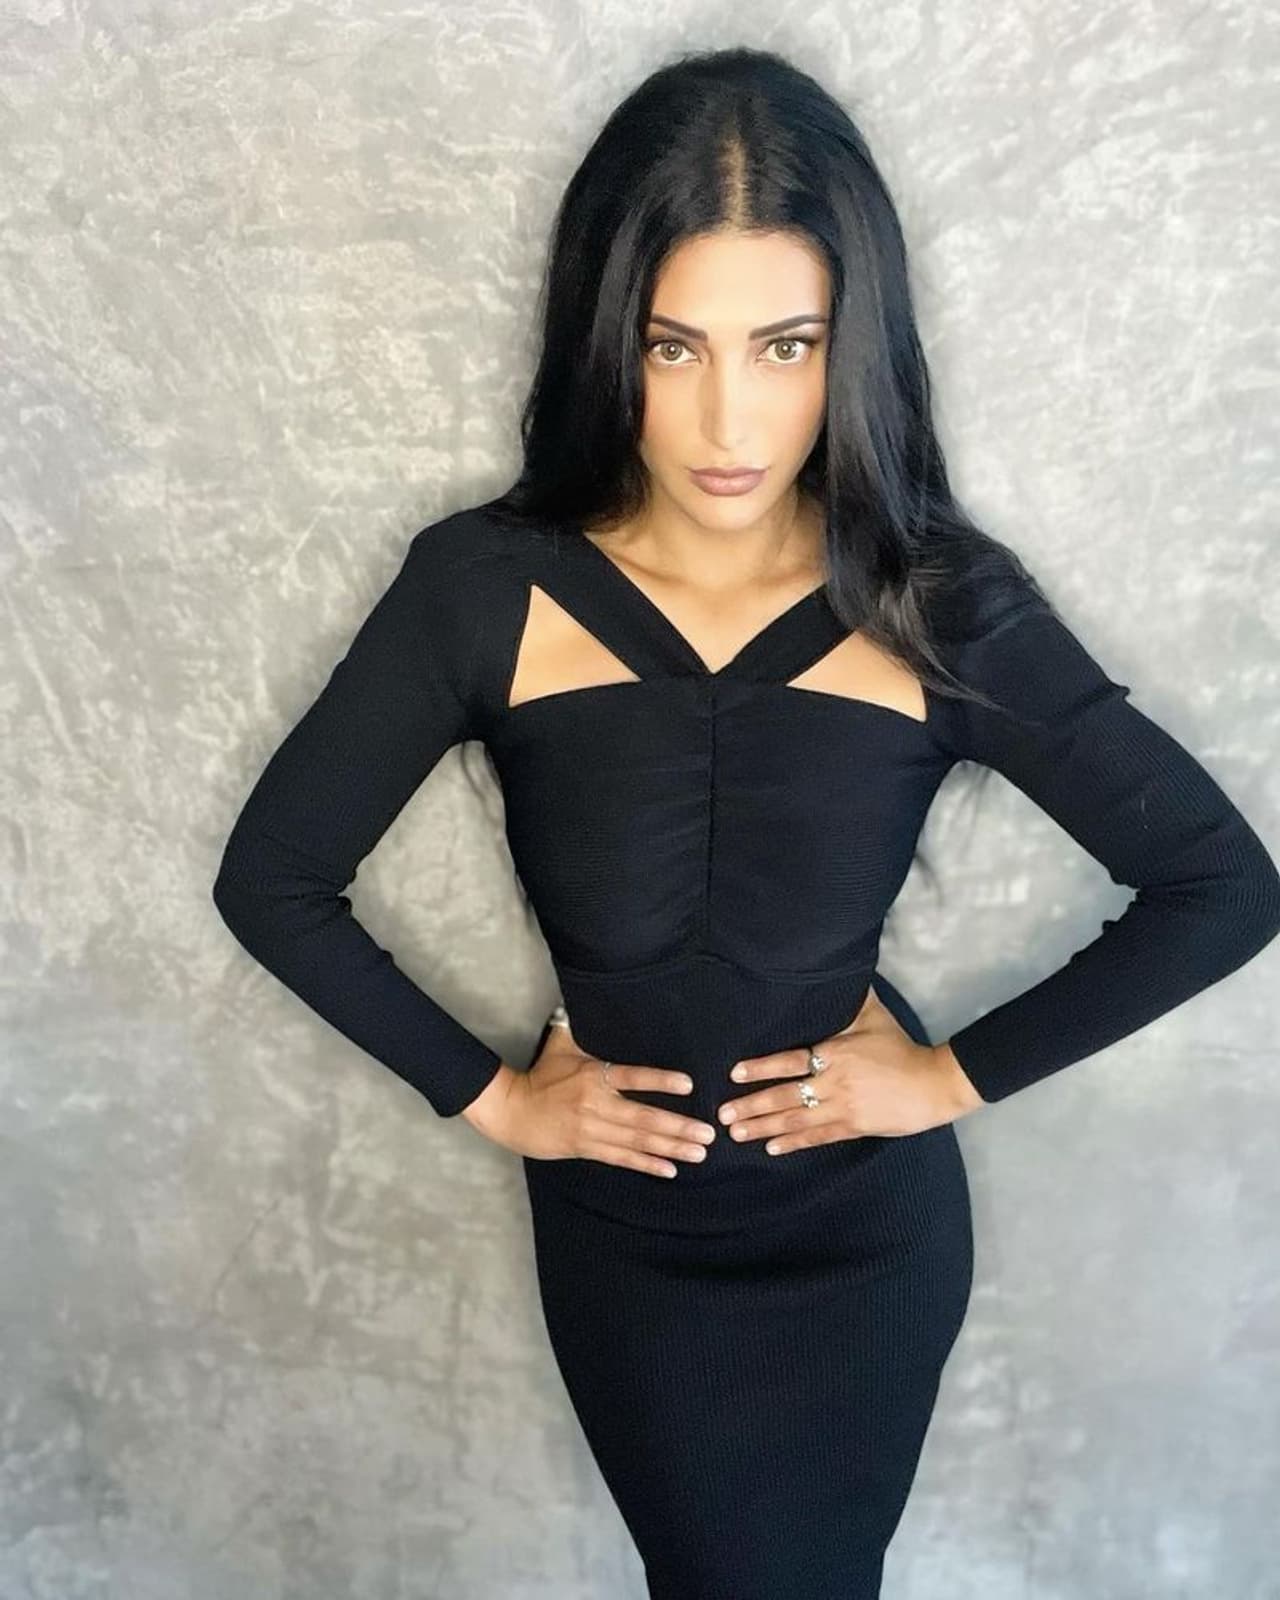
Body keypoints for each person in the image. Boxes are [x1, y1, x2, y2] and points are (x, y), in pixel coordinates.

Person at [210, 45, 1280, 1600]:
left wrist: (943, 1081)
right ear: (607, 338)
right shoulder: (483, 587)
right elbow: (275, 879)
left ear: (854, 344)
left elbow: (1220, 885)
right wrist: (500, 1104)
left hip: (864, 1241)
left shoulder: (939, 601)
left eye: (787, 346)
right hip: (628, 1243)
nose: (729, 417)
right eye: (674, 346)